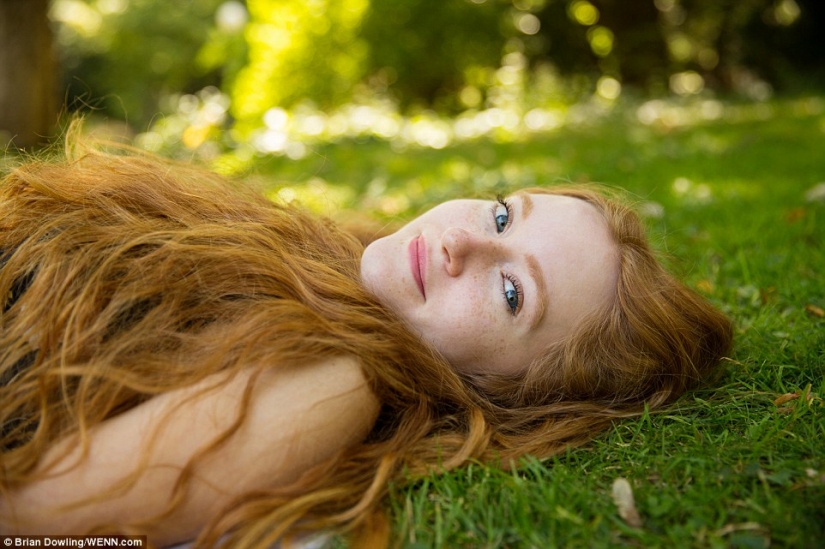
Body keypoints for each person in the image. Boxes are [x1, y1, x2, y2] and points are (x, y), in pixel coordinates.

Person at [0, 141, 733, 547]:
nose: (460, 240)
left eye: (511, 293)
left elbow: (36, 514)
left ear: (512, 389)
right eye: (504, 215)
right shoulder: (323, 254)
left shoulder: (334, 380)